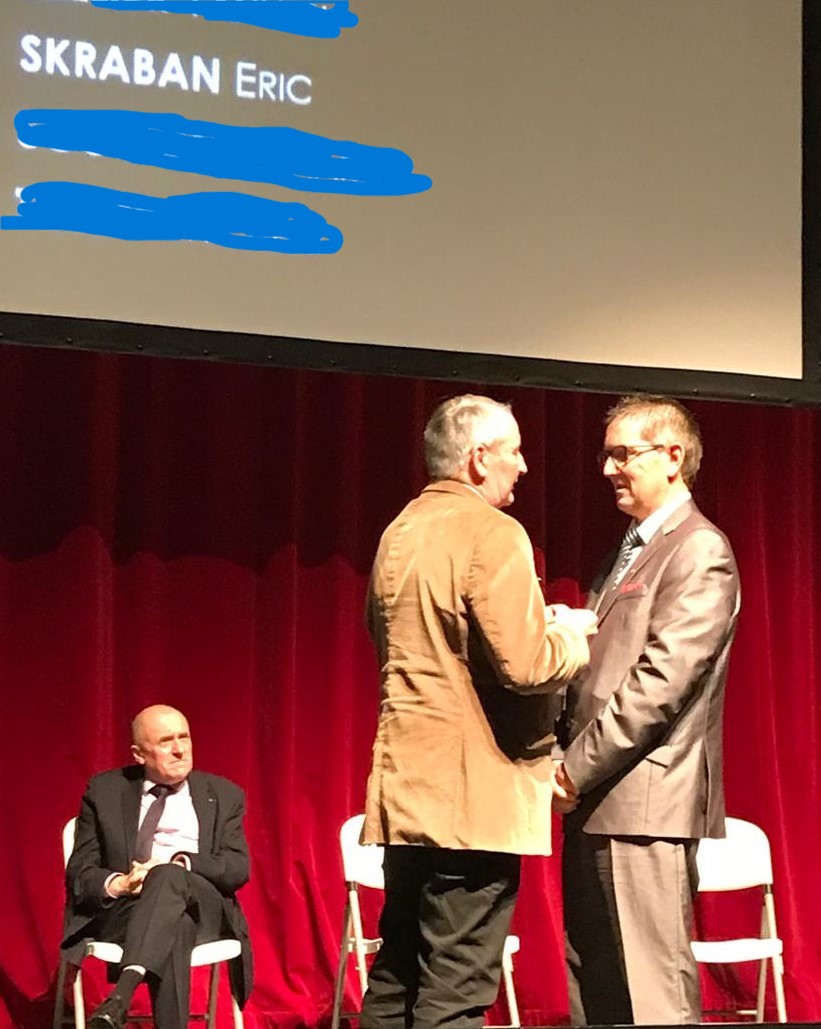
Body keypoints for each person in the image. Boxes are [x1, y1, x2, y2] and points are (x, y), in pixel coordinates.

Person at [359, 393, 596, 1029]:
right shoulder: (494, 532)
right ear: (478, 457)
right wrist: (569, 634)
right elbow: (525, 667)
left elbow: (393, 638)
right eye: (513, 452)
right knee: (457, 987)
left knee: (397, 974)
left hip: (405, 790)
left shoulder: (399, 530)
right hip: (473, 798)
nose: (521, 466)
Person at [555, 395, 740, 1025]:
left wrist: (570, 770)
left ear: (672, 457)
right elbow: (604, 672)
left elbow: (659, 684)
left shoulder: (698, 550)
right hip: (598, 800)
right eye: (606, 454)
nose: (608, 468)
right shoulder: (629, 549)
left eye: (622, 454)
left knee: (650, 990)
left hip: (645, 805)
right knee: (599, 988)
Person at [61, 704, 253, 1029]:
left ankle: (121, 995)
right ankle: (126, 998)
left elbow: (236, 867)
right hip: (129, 910)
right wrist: (120, 883)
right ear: (139, 754)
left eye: (184, 737)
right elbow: (81, 874)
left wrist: (180, 862)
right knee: (175, 925)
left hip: (203, 905)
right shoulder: (105, 792)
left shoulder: (223, 794)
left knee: (168, 875)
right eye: (166, 741)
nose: (180, 749)